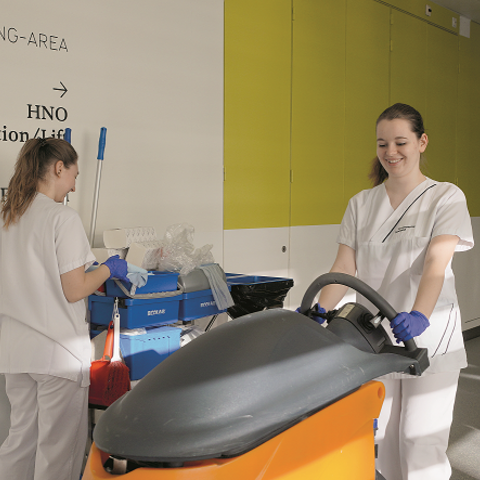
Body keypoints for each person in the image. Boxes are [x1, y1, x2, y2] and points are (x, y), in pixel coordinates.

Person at [313, 103, 474, 480]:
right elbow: (344, 268)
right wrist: (316, 312)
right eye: (382, 143)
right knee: (381, 440)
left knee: (419, 442)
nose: (391, 152)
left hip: (429, 336)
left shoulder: (445, 197)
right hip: (374, 338)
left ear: (422, 142)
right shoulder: (361, 203)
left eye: (401, 142)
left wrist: (419, 315)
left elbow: (436, 262)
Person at [0, 138, 129, 480]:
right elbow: (75, 290)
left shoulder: (7, 216)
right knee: (57, 451)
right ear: (59, 168)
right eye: (74, 175)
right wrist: (109, 268)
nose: (73, 186)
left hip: (15, 352)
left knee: (20, 441)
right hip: (57, 353)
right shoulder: (62, 218)